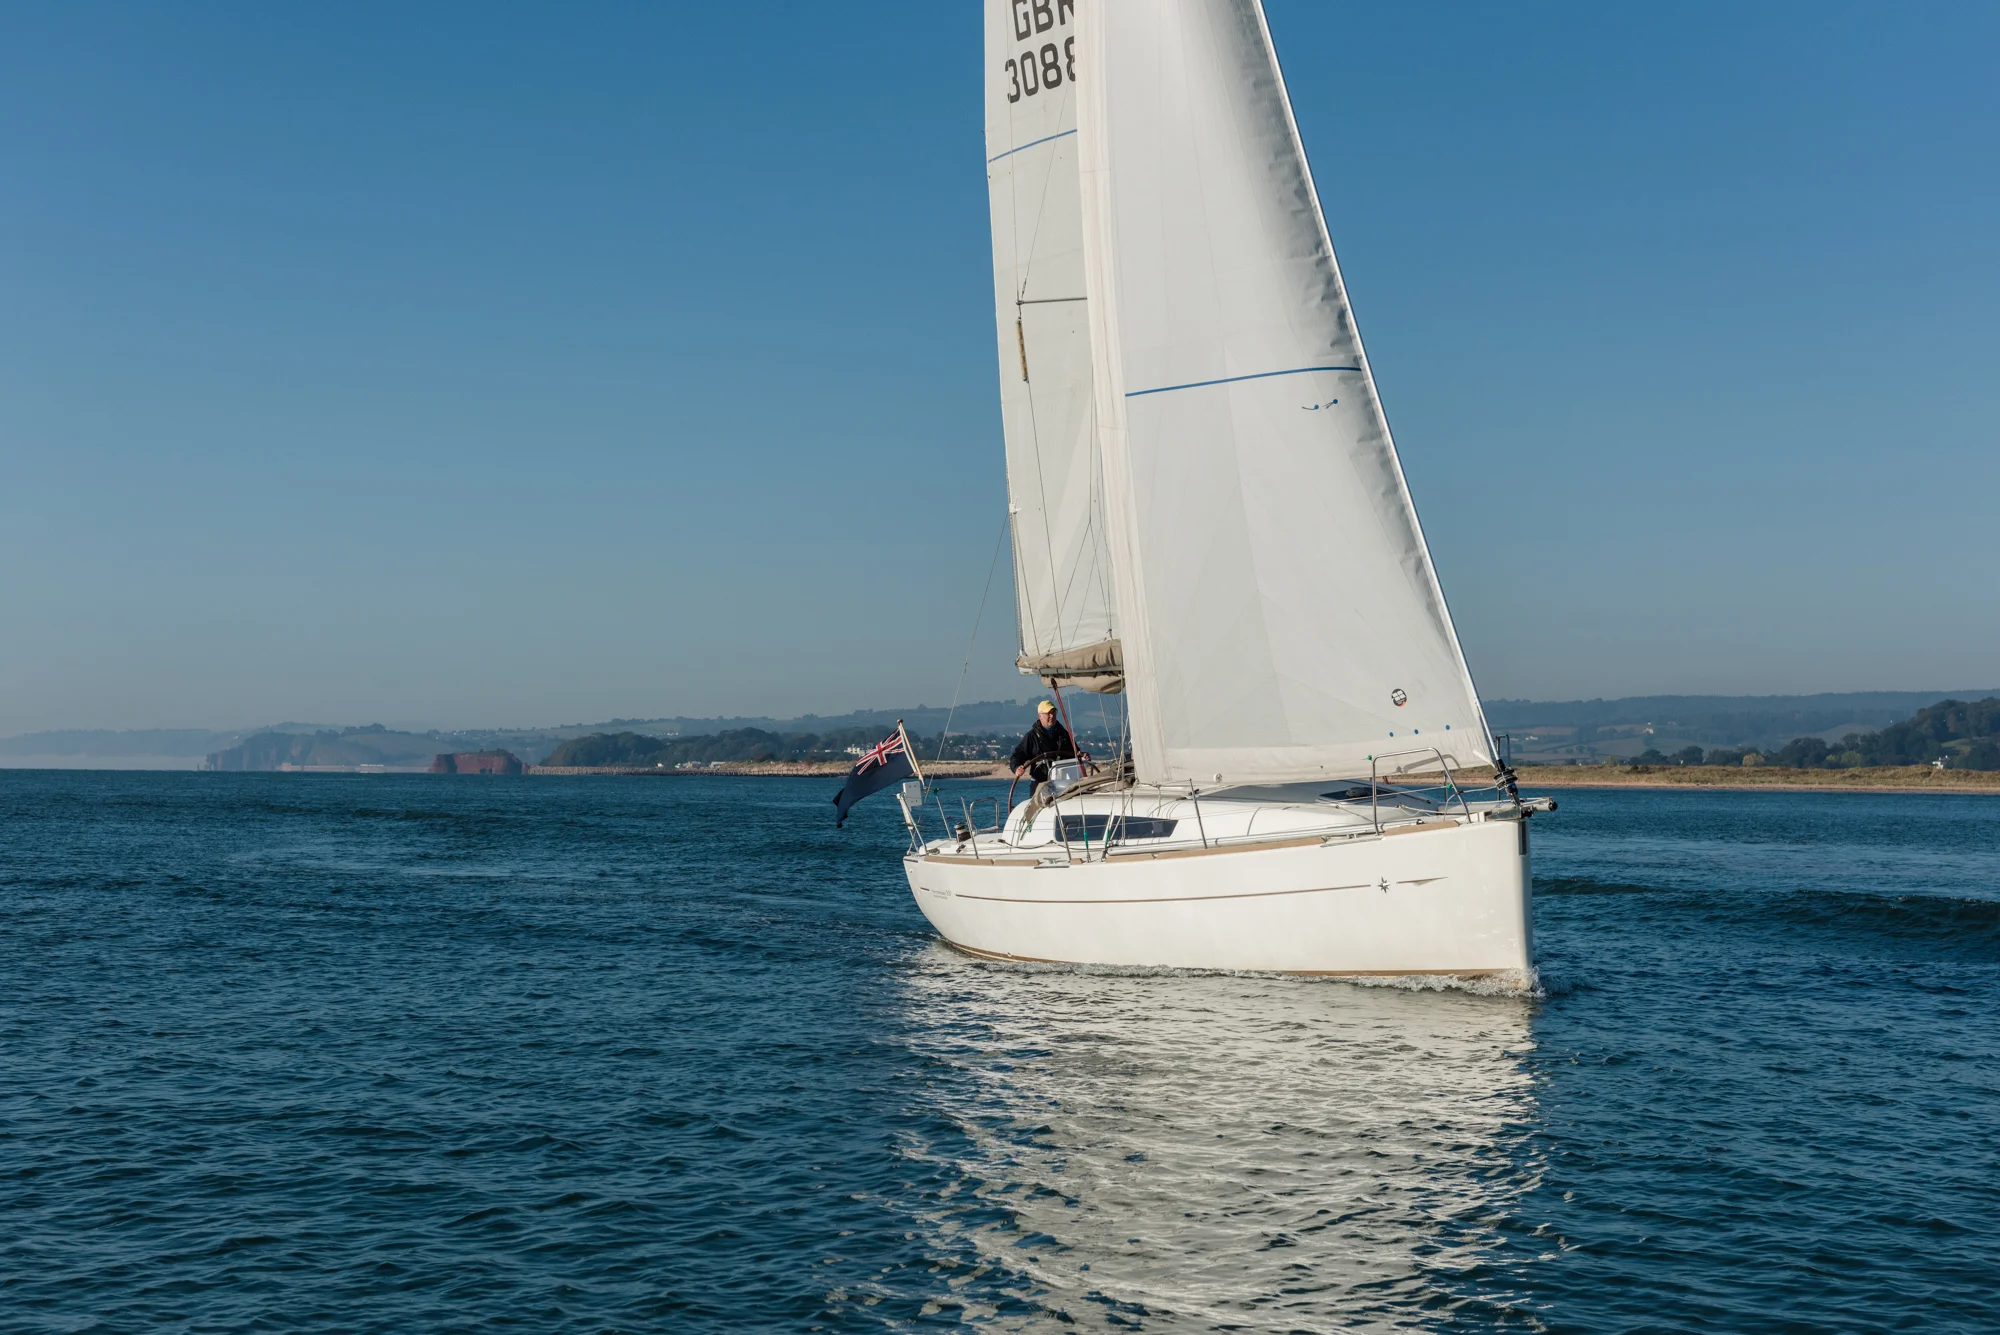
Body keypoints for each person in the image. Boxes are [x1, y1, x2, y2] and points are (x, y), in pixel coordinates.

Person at [1010, 700, 1077, 784]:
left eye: (1053, 713)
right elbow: (1016, 756)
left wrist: (1083, 755)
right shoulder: (1032, 736)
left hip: (1063, 782)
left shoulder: (1063, 733)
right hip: (1040, 783)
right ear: (1040, 716)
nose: (1052, 716)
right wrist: (1017, 768)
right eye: (1048, 713)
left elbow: (1075, 752)